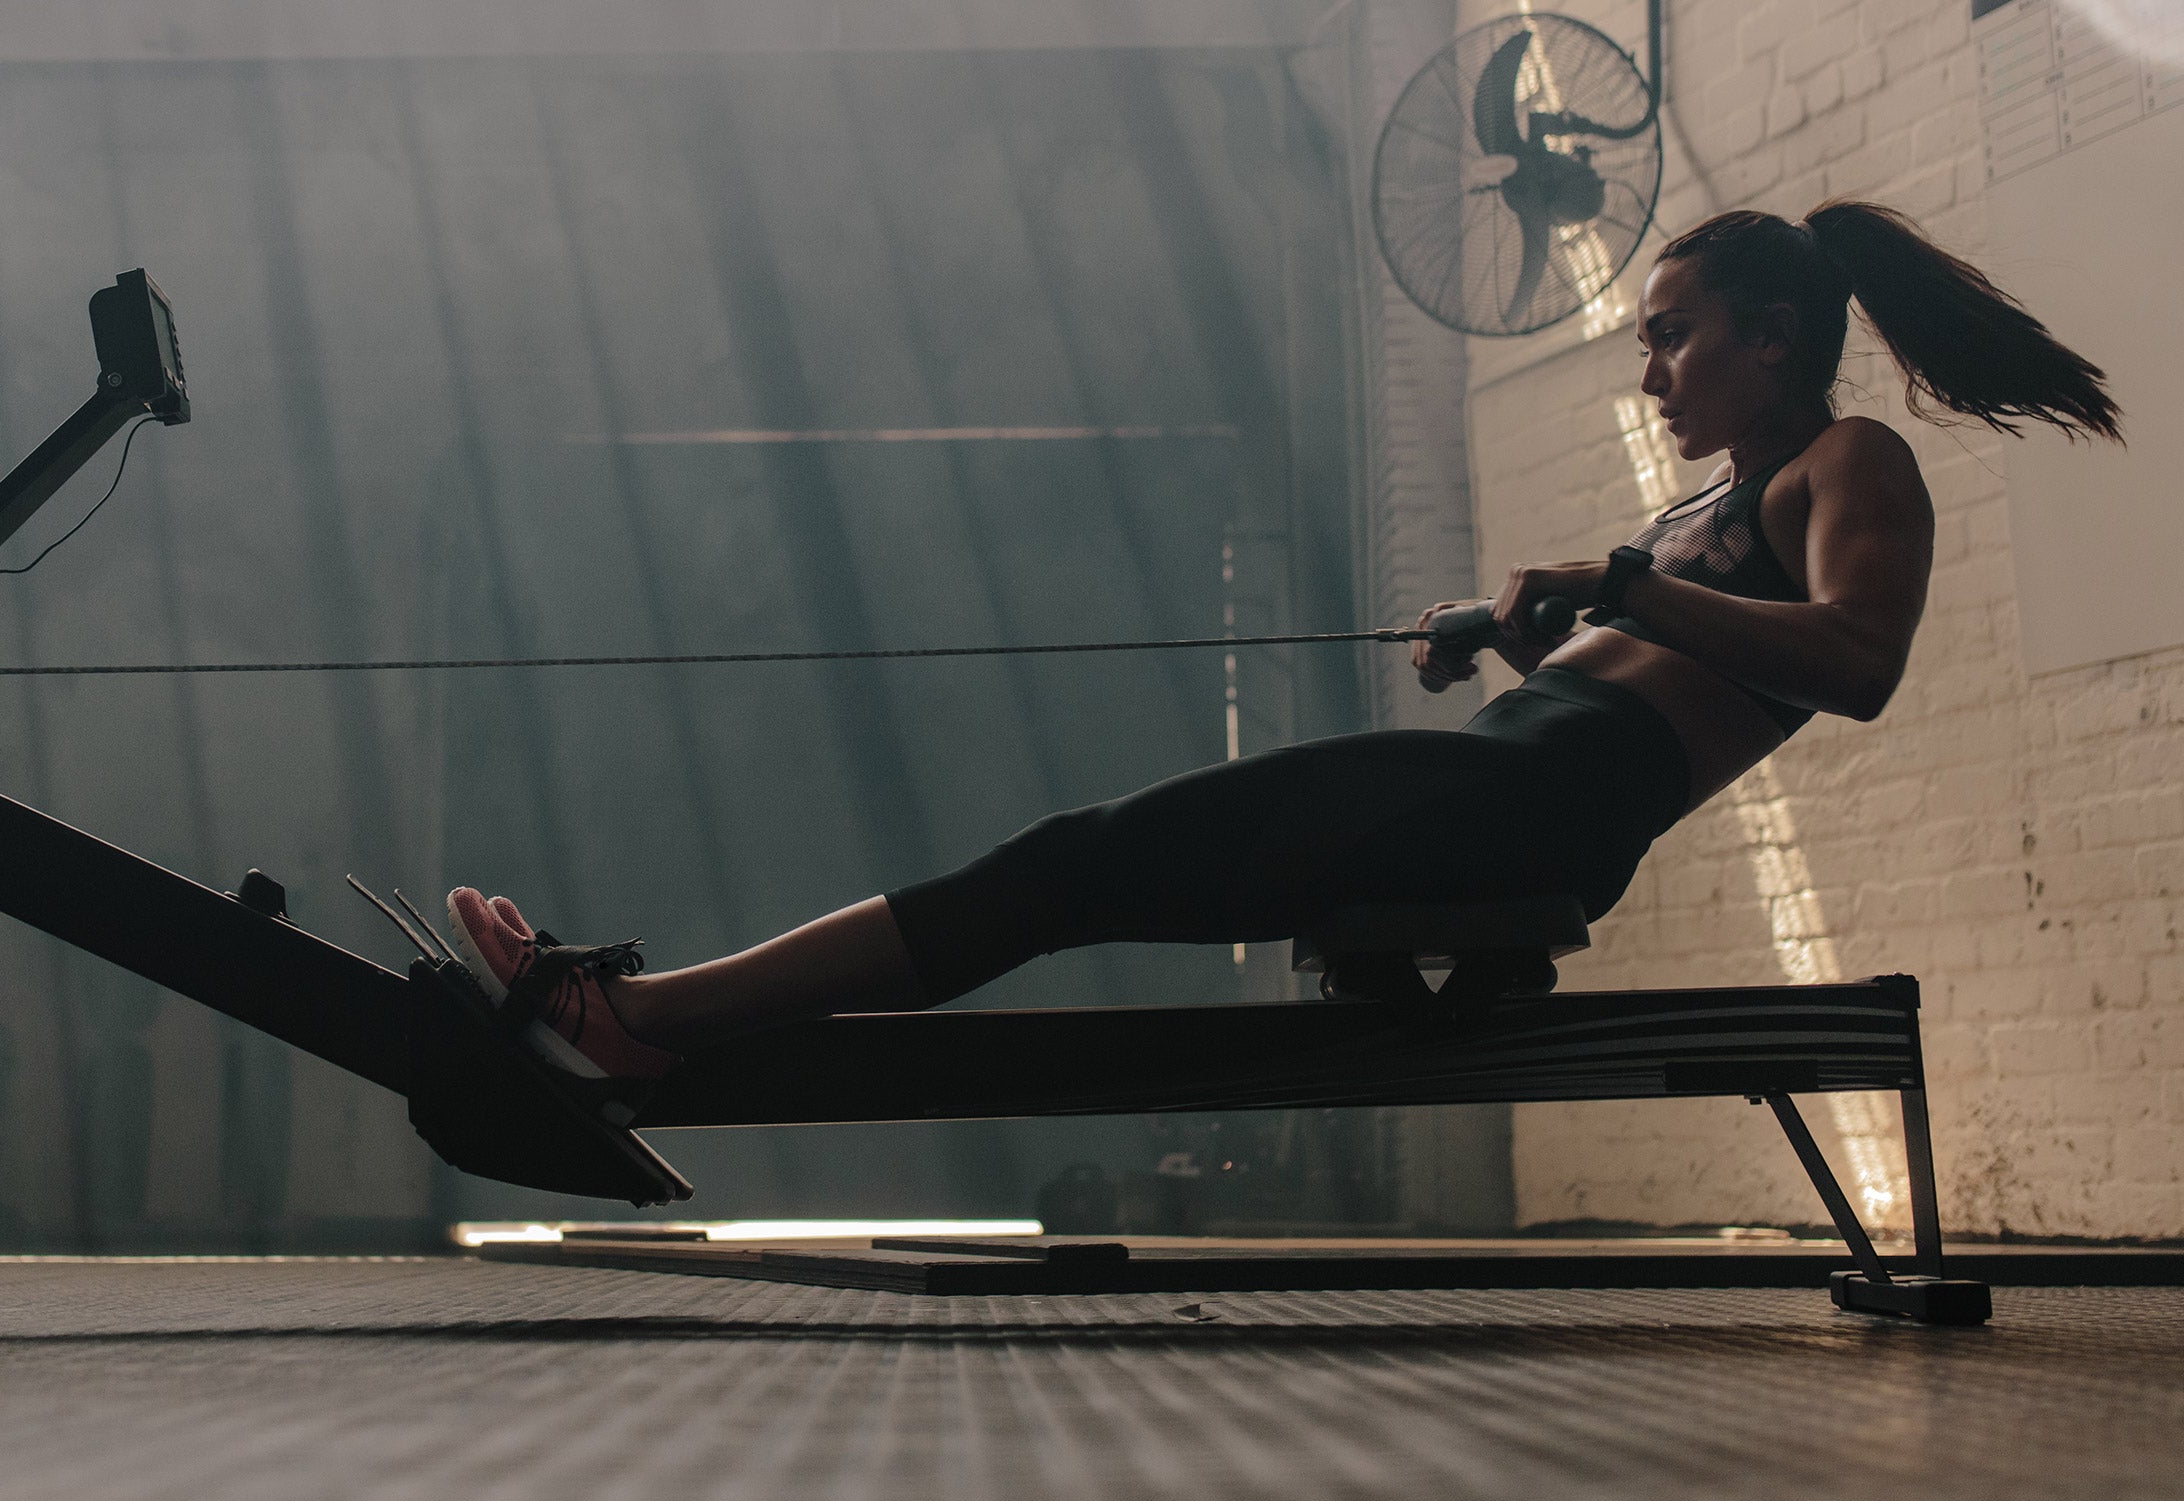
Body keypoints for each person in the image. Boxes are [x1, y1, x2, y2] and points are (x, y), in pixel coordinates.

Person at [448, 200, 2122, 1087]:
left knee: (1067, 863)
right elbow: (1662, 651)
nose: (1651, 373)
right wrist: (1512, 631)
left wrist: (1613, 585)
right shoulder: (1713, 507)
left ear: (1774, 340)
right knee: (1072, 869)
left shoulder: (1850, 463)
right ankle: (646, 1016)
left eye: (1672, 339)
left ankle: (641, 1019)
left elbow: (1856, 662)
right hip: (1494, 789)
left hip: (1530, 822)